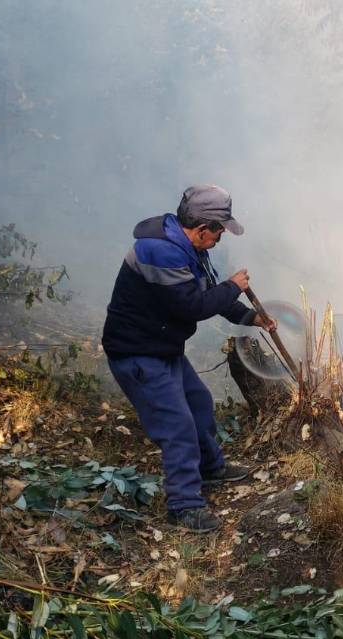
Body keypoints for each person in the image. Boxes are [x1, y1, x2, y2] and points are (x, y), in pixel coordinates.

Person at [101, 184, 276, 532]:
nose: (221, 237)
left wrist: (249, 317)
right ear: (201, 229)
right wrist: (234, 286)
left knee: (198, 404)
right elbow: (192, 306)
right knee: (177, 426)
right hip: (137, 354)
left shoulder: (188, 247)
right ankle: (184, 505)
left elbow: (207, 292)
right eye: (220, 231)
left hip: (160, 347)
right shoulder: (159, 252)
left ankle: (211, 468)